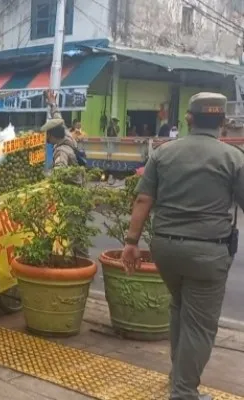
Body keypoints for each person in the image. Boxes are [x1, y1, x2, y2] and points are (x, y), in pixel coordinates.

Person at [122, 92, 242, 400]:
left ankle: (178, 378)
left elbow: (143, 199)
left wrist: (131, 243)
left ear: (188, 119)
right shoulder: (233, 158)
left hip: (165, 251)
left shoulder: (163, 153)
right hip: (207, 253)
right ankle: (184, 393)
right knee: (200, 325)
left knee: (179, 310)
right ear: (223, 122)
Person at [42, 90, 78, 168]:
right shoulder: (66, 135)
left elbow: (59, 171)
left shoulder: (61, 152)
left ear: (51, 135)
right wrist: (53, 104)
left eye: (46, 134)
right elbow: (57, 117)